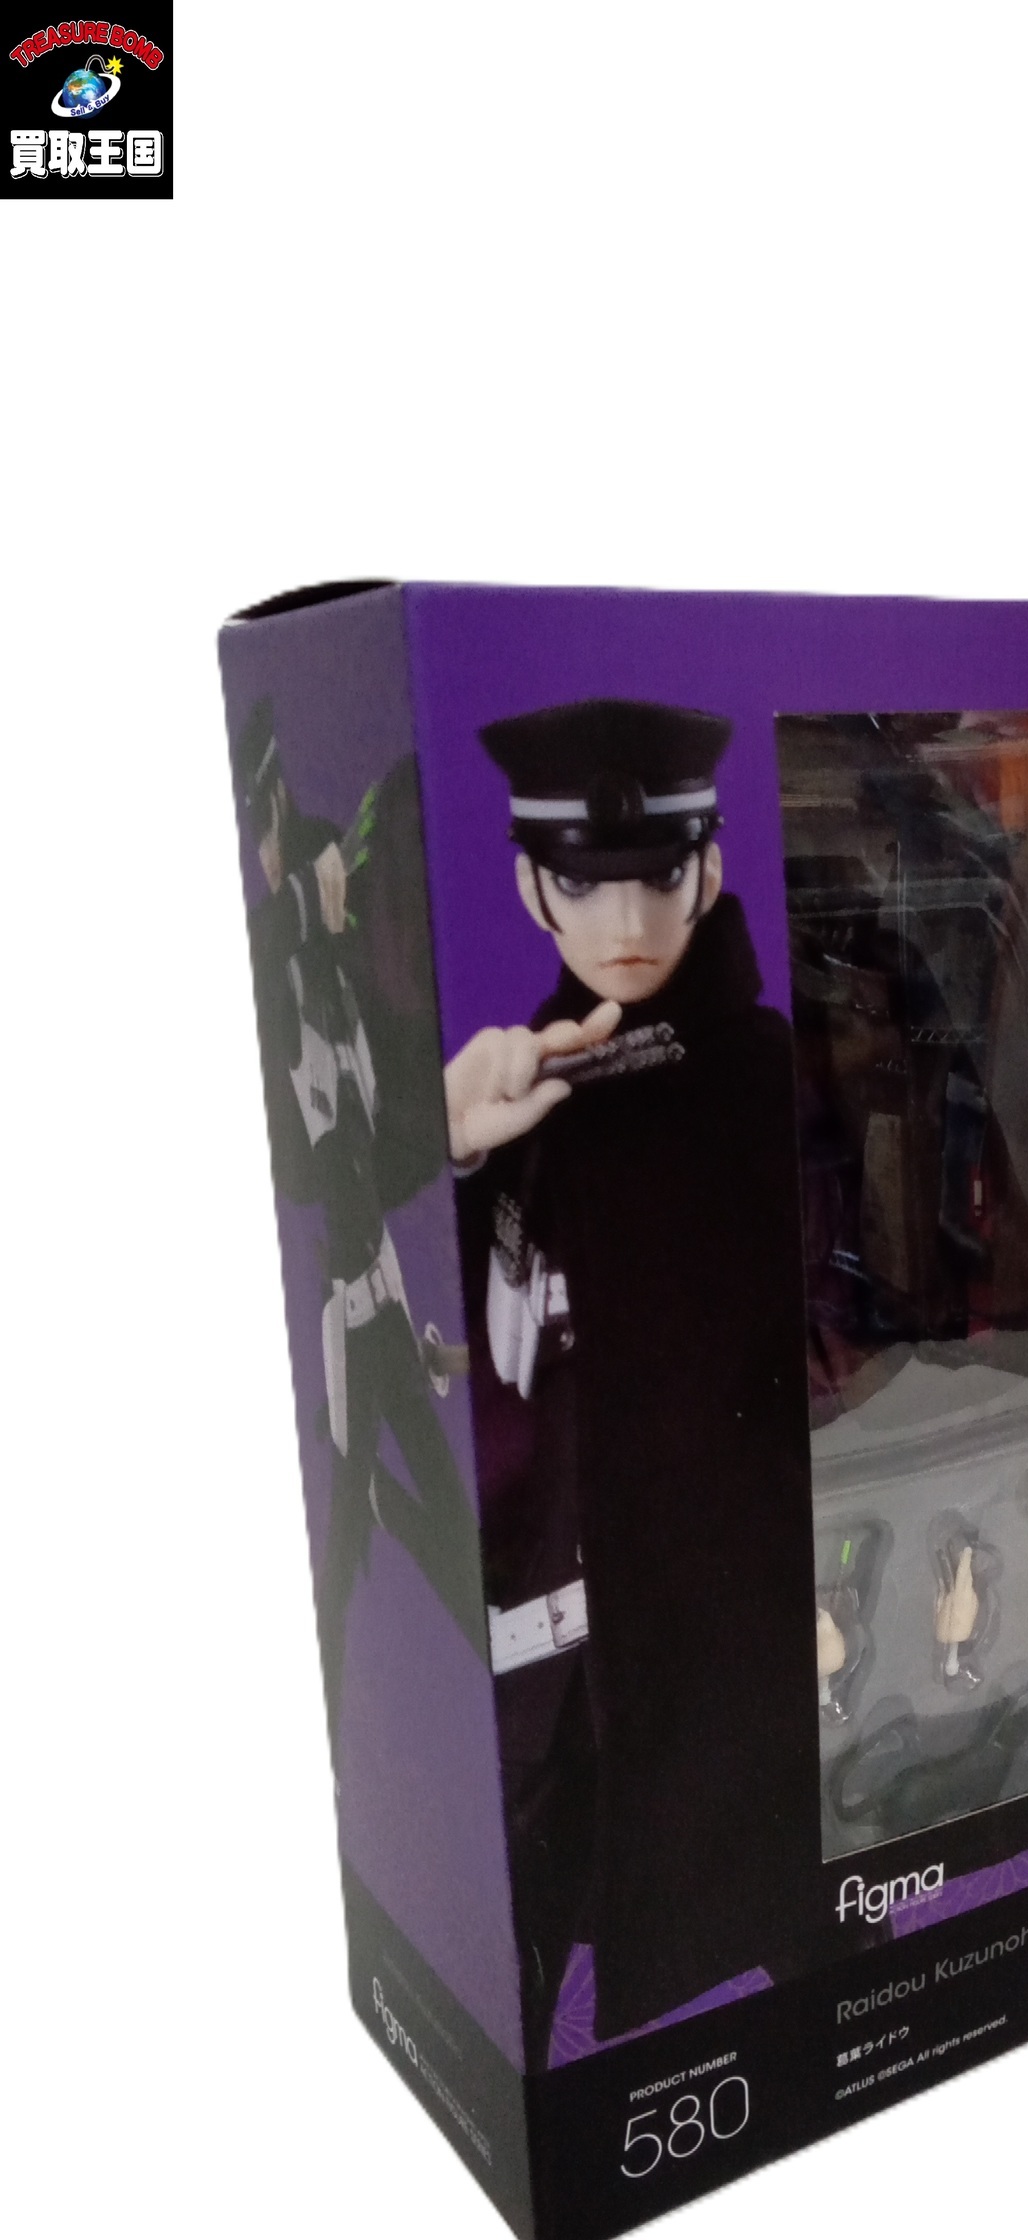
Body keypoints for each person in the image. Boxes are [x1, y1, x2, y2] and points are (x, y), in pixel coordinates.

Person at [445, 698, 817, 2064]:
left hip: (731, 1596)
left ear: (707, 873)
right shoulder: (524, 1088)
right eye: (586, 883)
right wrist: (444, 1155)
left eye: (658, 878)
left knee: (782, 1875)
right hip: (551, 1587)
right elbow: (437, 1345)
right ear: (531, 887)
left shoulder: (766, 1075)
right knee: (534, 1877)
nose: (626, 921)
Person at [234, 700, 483, 1762]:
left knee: (435, 1542)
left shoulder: (344, 925)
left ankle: (385, 1518)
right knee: (339, 1561)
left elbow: (390, 1146)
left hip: (377, 1286)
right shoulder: (277, 951)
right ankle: (333, 1738)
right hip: (349, 1302)